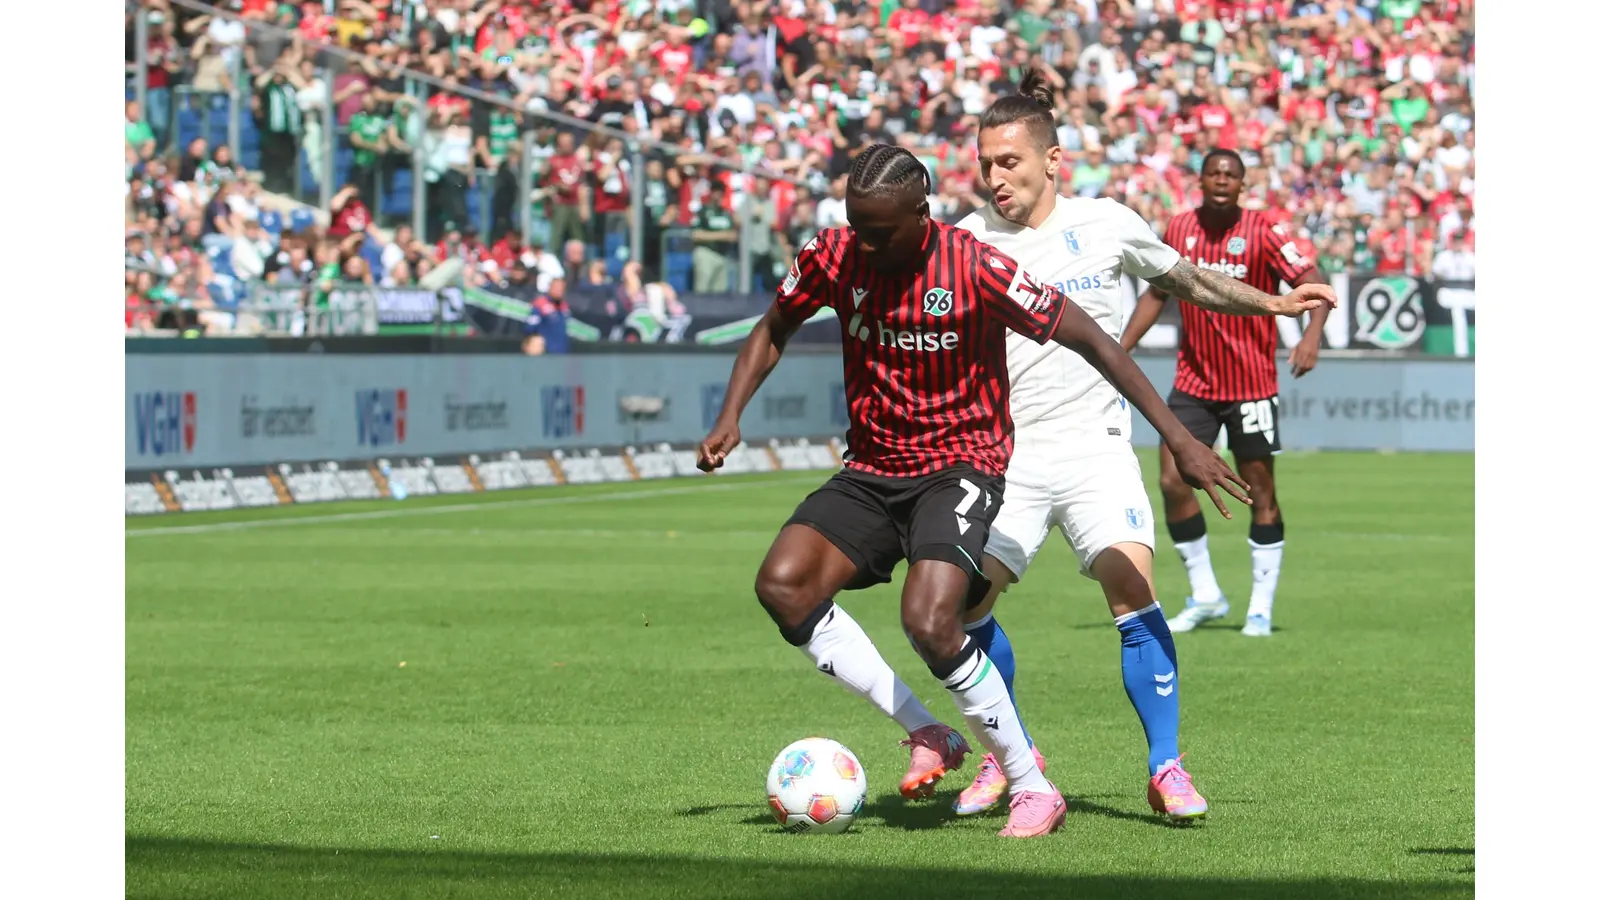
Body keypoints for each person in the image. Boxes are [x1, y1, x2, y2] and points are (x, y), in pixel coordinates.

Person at [696, 143, 1249, 839]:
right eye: (855, 225)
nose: (864, 242)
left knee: (930, 619)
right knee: (784, 584)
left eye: (880, 231)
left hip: (960, 464)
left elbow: (1094, 340)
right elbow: (774, 326)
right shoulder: (833, 255)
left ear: (921, 214)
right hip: (872, 468)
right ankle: (930, 731)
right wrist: (729, 414)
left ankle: (1032, 786)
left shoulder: (975, 264)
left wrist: (1177, 436)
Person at [947, 73, 1337, 821]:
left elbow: (1189, 281)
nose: (995, 177)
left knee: (1134, 594)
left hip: (1096, 449)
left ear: (1052, 159)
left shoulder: (1105, 222)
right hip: (1007, 459)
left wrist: (1277, 302)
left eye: (1009, 162)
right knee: (962, 609)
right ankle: (1012, 760)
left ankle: (1166, 769)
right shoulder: (964, 242)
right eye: (986, 163)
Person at [1121, 149, 1333, 638]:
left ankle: (1259, 607)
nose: (1221, 180)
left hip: (1251, 385)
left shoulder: (1265, 231)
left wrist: (1310, 335)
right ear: (1201, 180)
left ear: (1242, 184)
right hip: (1194, 383)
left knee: (1261, 492)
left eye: (1230, 175)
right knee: (1174, 482)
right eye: (1213, 173)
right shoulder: (1178, 229)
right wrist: (1119, 350)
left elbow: (1313, 282)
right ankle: (1206, 594)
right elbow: (1157, 291)